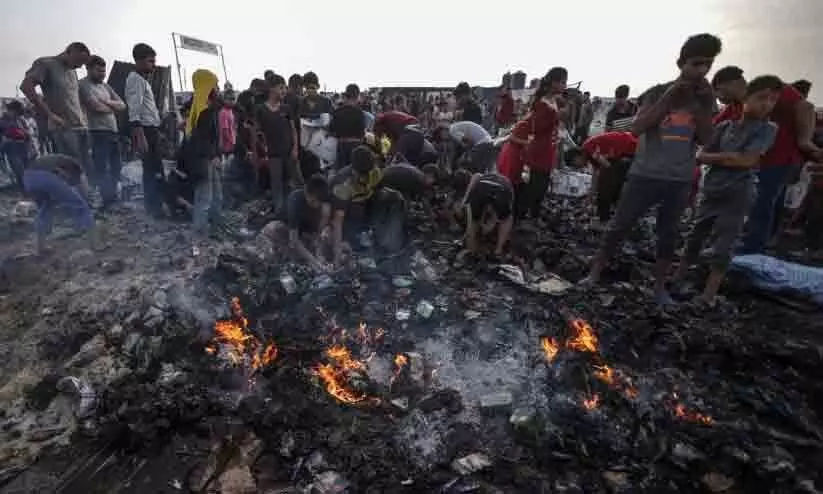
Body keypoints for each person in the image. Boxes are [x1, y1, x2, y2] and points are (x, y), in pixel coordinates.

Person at [581, 33, 722, 305]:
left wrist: (704, 105)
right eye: (696, 63)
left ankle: (659, 288)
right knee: (619, 226)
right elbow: (637, 127)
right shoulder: (658, 92)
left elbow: (706, 139)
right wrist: (670, 98)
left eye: (707, 64)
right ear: (682, 63)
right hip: (644, 173)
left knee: (669, 234)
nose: (701, 70)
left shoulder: (706, 99)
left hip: (679, 178)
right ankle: (595, 273)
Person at [674, 75, 782, 305]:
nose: (767, 104)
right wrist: (729, 157)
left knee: (725, 243)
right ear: (746, 98)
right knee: (695, 235)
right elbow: (700, 155)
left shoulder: (768, 129)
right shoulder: (724, 127)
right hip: (712, 189)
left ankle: (708, 295)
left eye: (772, 100)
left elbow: (746, 161)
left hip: (738, 192)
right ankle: (677, 279)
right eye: (762, 97)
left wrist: (721, 158)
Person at [330, 146, 406, 264]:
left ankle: (386, 238)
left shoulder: (375, 171)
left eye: (367, 173)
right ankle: (356, 236)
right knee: (357, 210)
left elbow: (380, 191)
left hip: (367, 202)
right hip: (349, 212)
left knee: (396, 198)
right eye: (361, 173)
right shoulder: (342, 185)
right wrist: (337, 250)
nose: (365, 177)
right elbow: (337, 220)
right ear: (353, 169)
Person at [21, 42, 91, 167]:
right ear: (69, 52)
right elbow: (26, 87)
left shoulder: (72, 71)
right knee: (71, 167)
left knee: (86, 165)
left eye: (83, 63)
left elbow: (73, 97)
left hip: (81, 127)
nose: (79, 66)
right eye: (79, 61)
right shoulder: (46, 64)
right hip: (63, 128)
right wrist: (49, 114)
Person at [22, 154, 97, 254]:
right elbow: (83, 186)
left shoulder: (56, 160)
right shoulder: (77, 167)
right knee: (82, 206)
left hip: (27, 179)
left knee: (46, 208)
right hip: (44, 176)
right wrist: (87, 200)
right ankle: (94, 243)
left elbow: (61, 185)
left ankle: (40, 247)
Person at [125, 43, 167, 218]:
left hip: (150, 128)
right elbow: (134, 108)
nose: (154, 65)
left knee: (154, 168)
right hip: (146, 130)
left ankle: (155, 205)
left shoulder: (141, 80)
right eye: (150, 61)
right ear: (139, 61)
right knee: (152, 169)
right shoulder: (135, 80)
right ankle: (154, 207)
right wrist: (139, 134)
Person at [519, 67, 567, 219]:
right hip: (540, 150)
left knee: (542, 186)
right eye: (562, 82)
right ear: (554, 82)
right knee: (536, 186)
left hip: (547, 149)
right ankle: (524, 216)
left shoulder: (552, 100)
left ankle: (532, 215)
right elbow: (536, 127)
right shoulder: (542, 102)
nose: (564, 86)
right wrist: (556, 116)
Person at [79, 55, 126, 209]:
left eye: (104, 71)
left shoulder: (105, 87)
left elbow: (122, 105)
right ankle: (107, 200)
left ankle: (112, 197)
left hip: (113, 131)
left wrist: (107, 102)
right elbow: (95, 107)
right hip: (97, 131)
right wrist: (112, 108)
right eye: (99, 71)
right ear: (89, 69)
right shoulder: (84, 85)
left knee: (116, 166)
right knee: (102, 167)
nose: (102, 74)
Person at [254, 75, 299, 213]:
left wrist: (295, 148)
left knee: (291, 184)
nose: (284, 91)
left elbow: (293, 130)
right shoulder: (260, 109)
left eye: (285, 87)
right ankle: (279, 213)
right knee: (276, 185)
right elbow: (256, 133)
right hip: (273, 155)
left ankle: (291, 212)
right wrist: (262, 152)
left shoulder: (286, 108)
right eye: (281, 88)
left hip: (288, 153)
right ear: (272, 89)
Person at [185, 69, 223, 234]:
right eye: (215, 85)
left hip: (208, 159)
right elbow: (200, 139)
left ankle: (216, 227)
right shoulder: (203, 111)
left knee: (216, 195)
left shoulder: (208, 108)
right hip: (202, 161)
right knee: (204, 197)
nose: (218, 88)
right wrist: (213, 155)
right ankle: (200, 234)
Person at [577, 131, 639, 227]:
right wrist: (590, 196)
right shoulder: (589, 152)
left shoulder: (589, 147)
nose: (579, 167)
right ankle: (615, 212)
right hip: (625, 148)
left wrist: (596, 194)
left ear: (577, 156)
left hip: (630, 147)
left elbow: (607, 166)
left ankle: (604, 219)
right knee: (613, 181)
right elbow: (596, 173)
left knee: (606, 185)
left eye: (576, 164)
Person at [282, 174, 333, 271]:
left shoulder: (324, 202)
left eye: (319, 203)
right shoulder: (295, 200)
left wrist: (319, 252)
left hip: (308, 232)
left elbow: (319, 232)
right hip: (289, 229)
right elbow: (294, 239)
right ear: (306, 192)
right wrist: (314, 261)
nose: (316, 205)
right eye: (313, 201)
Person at [457, 173, 515, 256]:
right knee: (506, 219)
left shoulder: (481, 176)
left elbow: (476, 176)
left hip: (481, 189)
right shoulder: (506, 181)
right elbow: (499, 214)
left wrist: (465, 199)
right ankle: (498, 250)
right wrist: (491, 224)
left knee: (474, 221)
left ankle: (471, 249)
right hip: (501, 190)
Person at [330, 84, 366, 170]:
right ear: (357, 96)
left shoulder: (337, 112)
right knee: (354, 172)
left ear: (346, 96)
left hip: (341, 145)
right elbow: (362, 133)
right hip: (356, 146)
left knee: (341, 173)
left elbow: (332, 130)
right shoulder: (360, 113)